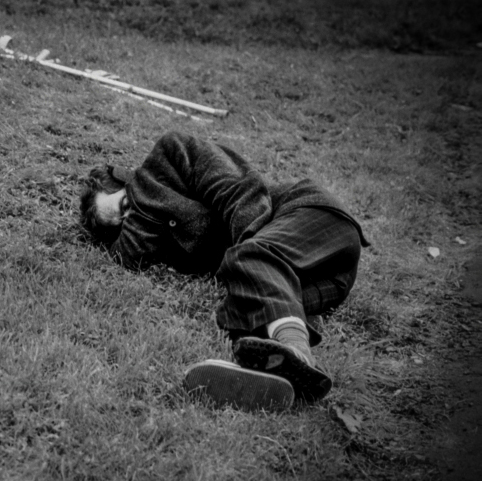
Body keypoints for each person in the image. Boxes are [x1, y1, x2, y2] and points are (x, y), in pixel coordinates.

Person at [79, 132, 368, 411]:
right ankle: (287, 374)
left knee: (246, 262)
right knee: (243, 312)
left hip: (314, 218)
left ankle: (296, 350)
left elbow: (241, 191)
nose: (132, 219)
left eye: (126, 204)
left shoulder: (171, 154)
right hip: (329, 277)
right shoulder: (156, 231)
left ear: (129, 179)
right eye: (121, 222)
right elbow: (129, 255)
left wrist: (140, 186)